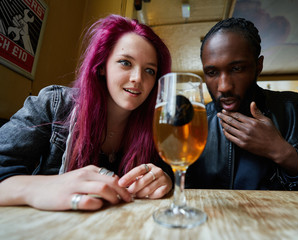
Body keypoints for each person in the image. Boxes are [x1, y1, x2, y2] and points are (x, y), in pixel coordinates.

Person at [0, 15, 173, 211]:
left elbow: (167, 173)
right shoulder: (53, 104)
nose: (137, 78)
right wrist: (40, 188)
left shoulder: (155, 125)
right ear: (102, 67)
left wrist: (164, 179)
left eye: (149, 70)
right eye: (125, 62)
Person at [185, 17, 298, 197]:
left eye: (236, 69)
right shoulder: (196, 122)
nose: (224, 86)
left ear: (258, 66)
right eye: (212, 73)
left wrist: (282, 152)